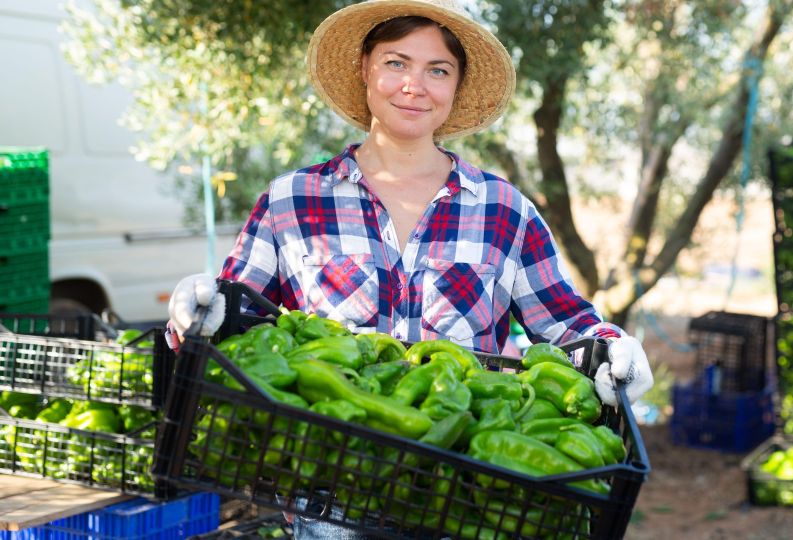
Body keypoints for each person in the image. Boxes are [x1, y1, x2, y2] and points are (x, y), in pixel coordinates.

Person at [167, 0, 653, 536]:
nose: (413, 86)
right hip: (328, 500)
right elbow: (236, 323)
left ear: (456, 86)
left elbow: (565, 325)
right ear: (365, 69)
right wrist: (200, 311)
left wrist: (613, 350)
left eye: (437, 70)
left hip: (461, 498)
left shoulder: (503, 209)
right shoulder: (293, 199)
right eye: (396, 62)